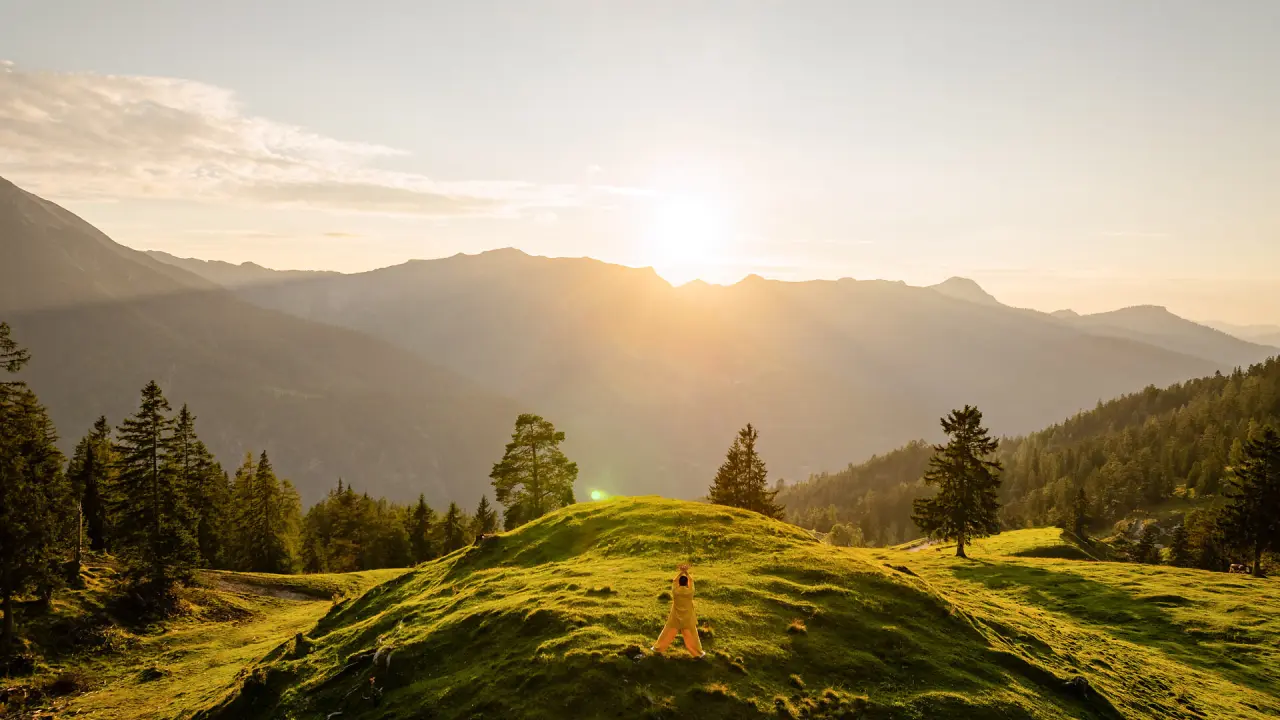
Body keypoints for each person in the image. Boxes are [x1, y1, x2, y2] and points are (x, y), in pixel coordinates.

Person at [651, 563, 706, 658]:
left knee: (666, 633)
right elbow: (692, 582)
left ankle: (658, 648)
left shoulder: (675, 592)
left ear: (679, 583)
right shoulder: (690, 592)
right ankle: (698, 653)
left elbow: (674, 581)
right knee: (693, 636)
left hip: (675, 616)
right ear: (687, 583)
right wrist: (686, 573)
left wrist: (681, 573)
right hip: (688, 617)